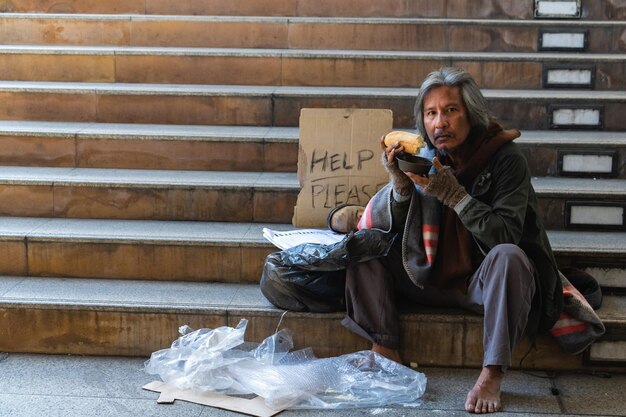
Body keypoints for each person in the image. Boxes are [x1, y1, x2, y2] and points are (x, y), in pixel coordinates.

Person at [328, 67, 563, 413]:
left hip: (483, 281)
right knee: (365, 244)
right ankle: (385, 347)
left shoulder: (506, 159)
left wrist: (456, 196)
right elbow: (393, 232)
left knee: (510, 256)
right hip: (429, 271)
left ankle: (492, 371)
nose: (441, 123)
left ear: (472, 115)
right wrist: (400, 187)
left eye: (451, 111)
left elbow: (505, 235)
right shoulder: (423, 158)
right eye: (431, 113)